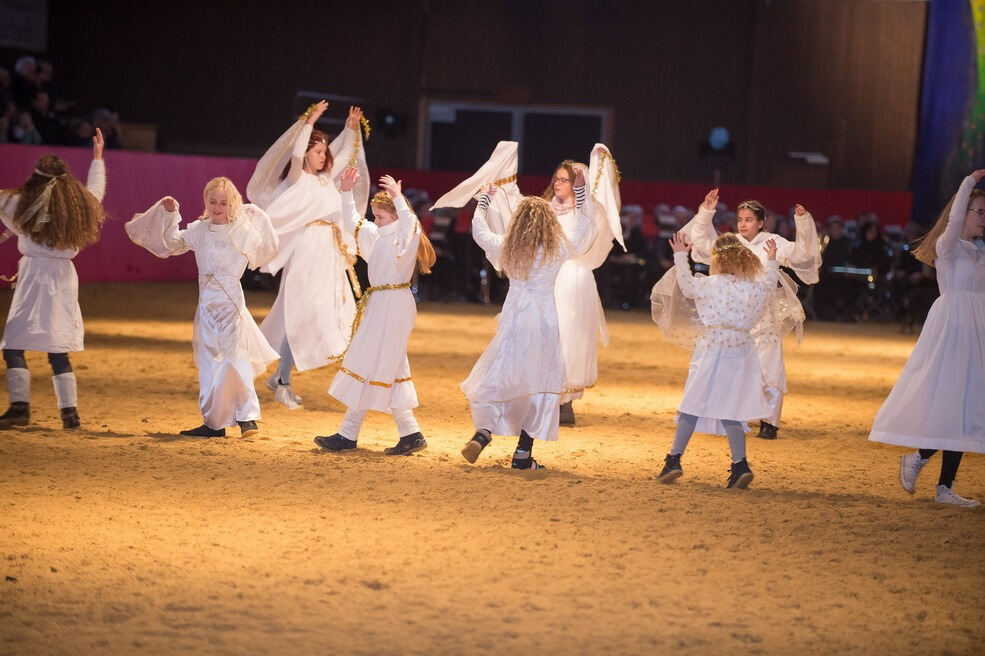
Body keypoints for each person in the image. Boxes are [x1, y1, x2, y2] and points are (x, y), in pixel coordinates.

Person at [460, 174, 596, 470]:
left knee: (500, 372)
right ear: (549, 223)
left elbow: (478, 231)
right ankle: (523, 452)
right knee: (539, 382)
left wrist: (483, 200)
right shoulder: (557, 248)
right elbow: (585, 228)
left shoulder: (507, 246)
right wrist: (581, 192)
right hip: (544, 320)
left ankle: (484, 432)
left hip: (513, 317)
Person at [125, 177, 279, 438]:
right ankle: (213, 423)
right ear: (205, 201)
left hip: (231, 303)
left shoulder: (242, 231)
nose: (218, 206)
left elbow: (266, 248)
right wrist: (171, 214)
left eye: (223, 202)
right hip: (207, 305)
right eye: (213, 201)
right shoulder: (199, 230)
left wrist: (255, 216)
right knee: (209, 362)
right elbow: (172, 244)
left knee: (234, 358)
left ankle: (247, 417)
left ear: (232, 203)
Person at [869, 169, 985, 508]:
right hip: (953, 328)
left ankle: (935, 476)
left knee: (967, 407)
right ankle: (927, 467)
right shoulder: (949, 247)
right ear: (962, 214)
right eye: (978, 212)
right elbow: (952, 223)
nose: (983, 219)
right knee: (953, 402)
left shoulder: (980, 250)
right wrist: (969, 182)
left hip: (977, 329)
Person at [248, 101, 368, 409]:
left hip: (327, 251)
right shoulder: (297, 179)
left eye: (324, 151)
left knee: (309, 315)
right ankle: (283, 381)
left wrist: (349, 130)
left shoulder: (327, 180)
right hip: (307, 250)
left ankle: (279, 377)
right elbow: (298, 152)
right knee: (300, 314)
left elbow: (343, 155)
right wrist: (310, 121)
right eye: (318, 151)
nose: (324, 155)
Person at [679, 190, 820, 439]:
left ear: (761, 222)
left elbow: (802, 255)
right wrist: (707, 211)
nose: (743, 224)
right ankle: (732, 414)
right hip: (734, 314)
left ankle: (769, 421)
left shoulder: (771, 241)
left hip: (762, 314)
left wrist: (803, 223)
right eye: (740, 219)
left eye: (748, 219)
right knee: (732, 366)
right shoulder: (731, 242)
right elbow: (700, 240)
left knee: (768, 366)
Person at [314, 171, 436, 455]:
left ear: (394, 215)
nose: (376, 221)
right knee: (387, 365)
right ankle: (410, 433)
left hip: (394, 304)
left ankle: (348, 434)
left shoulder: (405, 237)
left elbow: (411, 225)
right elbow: (353, 220)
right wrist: (346, 192)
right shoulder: (378, 233)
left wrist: (397, 196)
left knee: (371, 361)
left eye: (381, 216)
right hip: (382, 303)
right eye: (376, 216)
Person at [652, 232, 779, 488]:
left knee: (693, 402)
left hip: (713, 347)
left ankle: (674, 458)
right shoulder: (755, 288)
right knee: (732, 408)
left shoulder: (711, 284)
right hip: (742, 349)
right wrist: (772, 261)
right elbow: (769, 285)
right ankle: (740, 463)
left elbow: (686, 285)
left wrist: (680, 254)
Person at [0, 130, 106, 429]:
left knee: (13, 345)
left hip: (34, 275)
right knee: (58, 348)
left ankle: (20, 407)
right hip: (62, 278)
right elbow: (96, 192)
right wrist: (97, 159)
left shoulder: (17, 204)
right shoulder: (79, 207)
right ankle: (69, 414)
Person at [546, 155, 619, 426]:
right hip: (548, 277)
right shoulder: (546, 209)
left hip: (574, 280)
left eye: (565, 179)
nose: (558, 183)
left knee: (571, 336)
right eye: (556, 178)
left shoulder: (586, 214)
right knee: (548, 333)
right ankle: (546, 396)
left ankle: (565, 402)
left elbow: (599, 223)